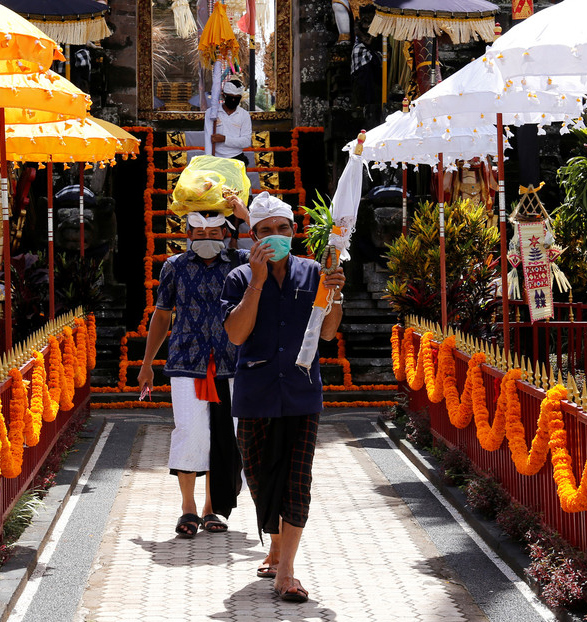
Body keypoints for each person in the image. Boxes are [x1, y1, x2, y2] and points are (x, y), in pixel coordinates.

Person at [221, 192, 345, 603]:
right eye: (265, 231)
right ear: (252, 235)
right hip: (255, 393)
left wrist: (336, 297)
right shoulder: (238, 278)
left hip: (301, 392)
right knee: (259, 478)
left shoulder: (314, 273)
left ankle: (287, 570)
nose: (275, 236)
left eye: (282, 229)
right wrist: (256, 283)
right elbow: (237, 335)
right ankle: (275, 546)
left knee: (297, 481)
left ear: (294, 232)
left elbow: (327, 333)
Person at [138, 198, 250, 538]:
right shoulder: (175, 266)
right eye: (198, 231)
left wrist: (246, 219)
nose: (205, 237)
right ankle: (187, 507)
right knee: (190, 431)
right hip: (187, 361)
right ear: (187, 234)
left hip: (232, 363)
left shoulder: (243, 263)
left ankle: (212, 507)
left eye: (213, 231)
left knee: (225, 435)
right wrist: (146, 364)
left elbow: (274, 264)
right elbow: (162, 313)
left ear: (228, 234)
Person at [204, 78, 253, 166]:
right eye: (230, 97)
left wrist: (225, 139)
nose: (233, 100)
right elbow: (208, 138)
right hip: (216, 159)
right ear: (224, 96)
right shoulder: (212, 113)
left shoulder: (244, 115)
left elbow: (246, 142)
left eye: (236, 98)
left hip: (236, 159)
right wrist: (209, 161)